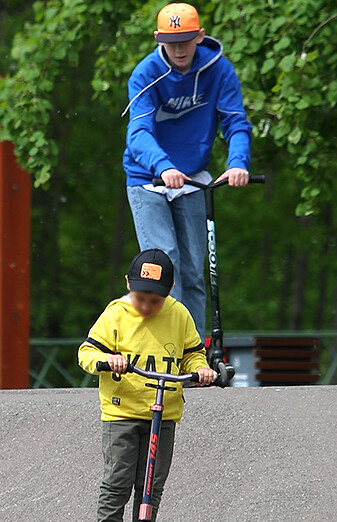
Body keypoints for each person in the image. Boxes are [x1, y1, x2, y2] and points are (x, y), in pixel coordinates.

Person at [122, 2, 253, 337]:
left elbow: (236, 123)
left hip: (193, 177)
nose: (179, 49)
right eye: (170, 41)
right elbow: (138, 134)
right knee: (167, 265)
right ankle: (166, 346)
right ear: (157, 39)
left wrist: (238, 162)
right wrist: (163, 166)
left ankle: (193, 350)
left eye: (185, 40)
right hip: (148, 178)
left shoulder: (219, 70)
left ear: (200, 36)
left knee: (196, 269)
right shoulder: (146, 73)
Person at [78, 249, 216, 522]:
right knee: (118, 478)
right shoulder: (115, 314)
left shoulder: (179, 314)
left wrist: (202, 369)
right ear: (128, 284)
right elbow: (85, 353)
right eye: (141, 298)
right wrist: (107, 360)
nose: (147, 306)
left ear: (169, 292)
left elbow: (192, 354)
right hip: (121, 411)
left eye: (155, 300)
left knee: (152, 483)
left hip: (164, 412)